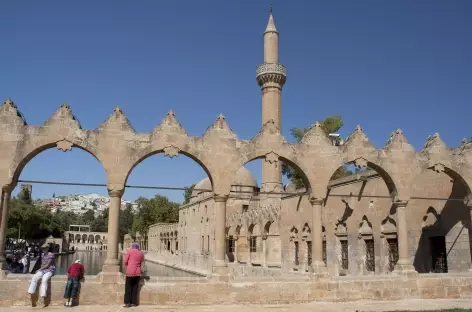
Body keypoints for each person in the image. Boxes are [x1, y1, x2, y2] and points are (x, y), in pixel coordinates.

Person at [123, 242, 144, 308]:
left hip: (130, 271)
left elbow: (125, 261)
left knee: (128, 287)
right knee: (135, 287)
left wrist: (128, 264)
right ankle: (134, 303)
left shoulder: (129, 251)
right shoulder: (141, 253)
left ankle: (127, 303)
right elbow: (142, 262)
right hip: (137, 272)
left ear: (132, 246)